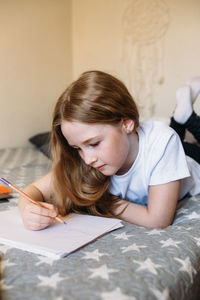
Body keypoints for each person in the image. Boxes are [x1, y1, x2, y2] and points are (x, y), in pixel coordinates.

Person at [18, 71, 200, 230]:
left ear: (126, 123)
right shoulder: (85, 159)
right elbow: (32, 190)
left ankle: (185, 117)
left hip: (191, 159)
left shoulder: (163, 142)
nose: (88, 159)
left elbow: (158, 220)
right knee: (175, 132)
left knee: (179, 137)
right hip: (148, 144)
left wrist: (102, 201)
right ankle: (180, 116)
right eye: (77, 148)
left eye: (94, 143)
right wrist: (28, 209)